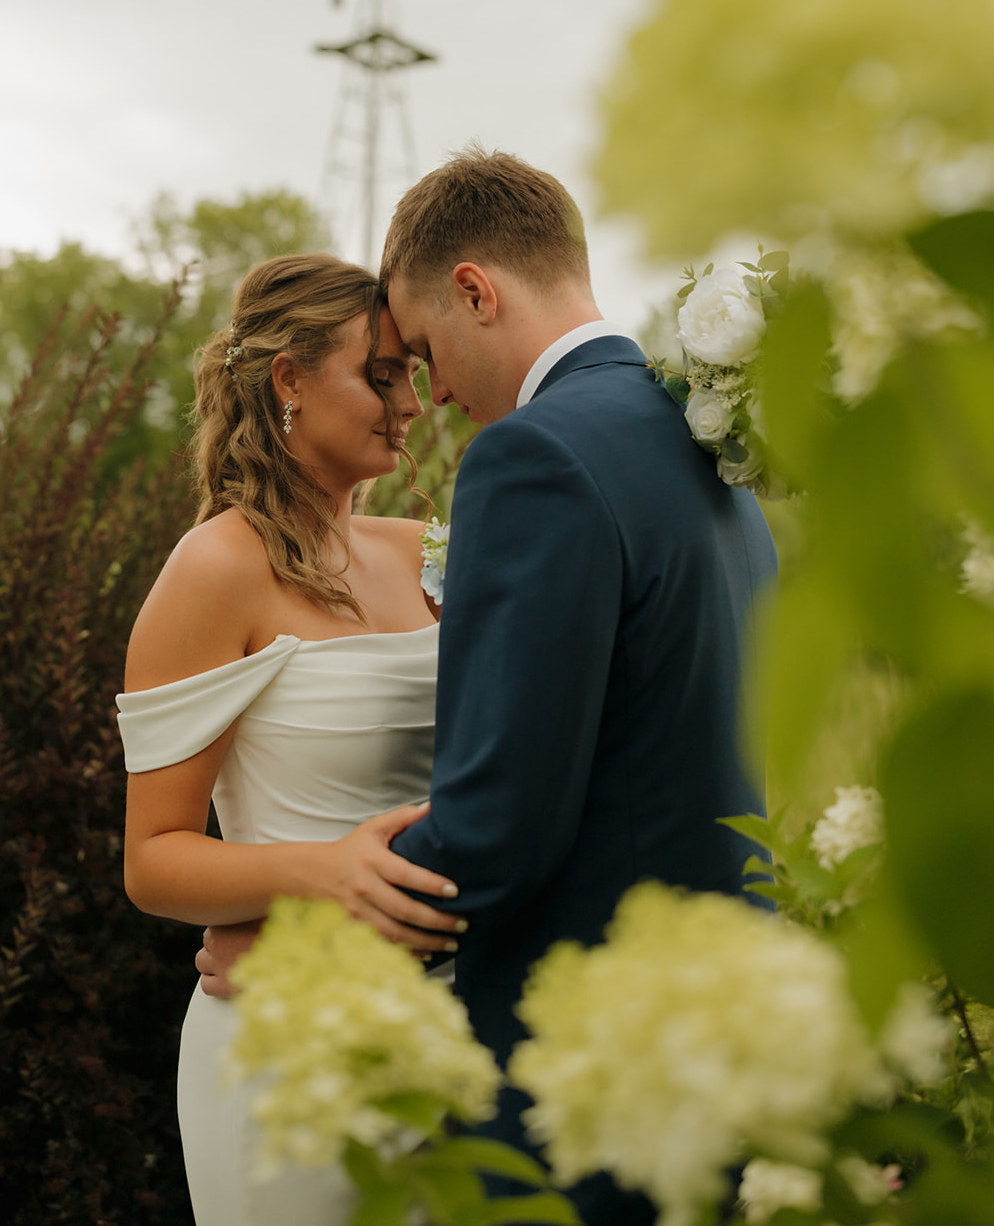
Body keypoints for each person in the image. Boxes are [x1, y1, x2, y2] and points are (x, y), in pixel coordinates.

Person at [376, 146, 779, 1225]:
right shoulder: (704, 450)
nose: (438, 392)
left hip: (585, 1069)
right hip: (727, 1042)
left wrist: (315, 907)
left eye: (425, 351)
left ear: (474, 288)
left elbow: (497, 825)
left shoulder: (534, 457)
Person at [116, 253, 466, 1226]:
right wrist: (325, 875)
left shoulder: (427, 550)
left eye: (410, 372)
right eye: (381, 374)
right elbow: (153, 860)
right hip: (282, 1058)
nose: (410, 402)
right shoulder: (215, 568)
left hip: (446, 1033)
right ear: (289, 381)